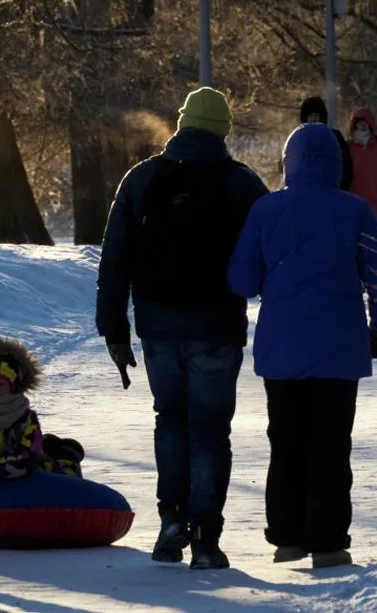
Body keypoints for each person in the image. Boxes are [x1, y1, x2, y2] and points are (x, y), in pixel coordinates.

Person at [95, 87, 269, 570]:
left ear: (181, 124)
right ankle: (207, 539)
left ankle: (171, 520)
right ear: (224, 132)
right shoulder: (242, 183)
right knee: (211, 430)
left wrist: (113, 329)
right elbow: (271, 254)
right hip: (217, 325)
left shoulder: (143, 179)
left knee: (170, 419)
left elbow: (115, 258)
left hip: (158, 325)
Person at [227, 122, 377, 569]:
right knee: (330, 444)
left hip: (281, 351)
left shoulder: (266, 212)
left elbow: (241, 280)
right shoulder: (356, 212)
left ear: (288, 163)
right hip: (339, 347)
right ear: (338, 164)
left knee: (285, 442)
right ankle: (327, 542)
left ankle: (287, 537)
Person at [0, 336, 85, 481]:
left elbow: (29, 457)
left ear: (12, 386)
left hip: (25, 480)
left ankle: (66, 458)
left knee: (57, 474)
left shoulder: (24, 419)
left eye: (0, 384)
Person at [299, 95, 352, 191]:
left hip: (330, 192)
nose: (313, 119)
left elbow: (346, 167)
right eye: (310, 115)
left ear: (322, 116)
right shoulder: (298, 137)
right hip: (305, 193)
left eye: (316, 115)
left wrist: (339, 190)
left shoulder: (334, 136)